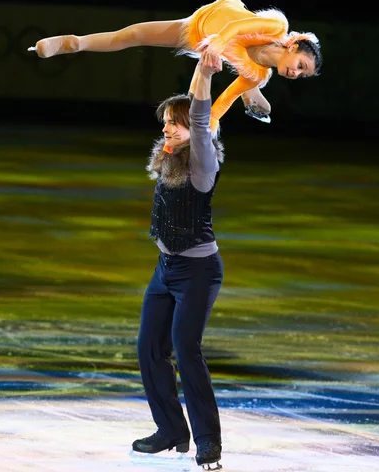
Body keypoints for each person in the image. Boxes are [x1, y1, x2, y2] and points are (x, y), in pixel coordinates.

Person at [28, 0, 323, 134]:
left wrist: (209, 125)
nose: (295, 73)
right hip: (215, 21)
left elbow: (223, 101)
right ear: (293, 45)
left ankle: (253, 98)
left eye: (301, 75)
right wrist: (219, 42)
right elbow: (238, 28)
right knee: (132, 34)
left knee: (212, 89)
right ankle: (75, 42)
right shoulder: (276, 24)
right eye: (300, 64)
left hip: (199, 40)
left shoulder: (256, 73)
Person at [131, 56, 224, 470]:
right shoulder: (170, 155)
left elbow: (201, 119)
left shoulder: (203, 163)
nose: (166, 128)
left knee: (186, 350)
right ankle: (171, 430)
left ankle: (208, 442)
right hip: (165, 269)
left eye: (174, 123)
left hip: (198, 272)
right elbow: (191, 109)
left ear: (194, 132)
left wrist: (205, 75)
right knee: (150, 349)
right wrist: (198, 74)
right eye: (166, 121)